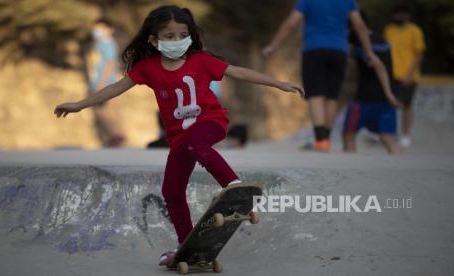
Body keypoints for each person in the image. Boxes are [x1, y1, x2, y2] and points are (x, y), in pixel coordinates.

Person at [54, 5, 304, 266]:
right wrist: (80, 104)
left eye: (182, 35)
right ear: (154, 40)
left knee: (196, 143)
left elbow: (238, 72)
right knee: (171, 191)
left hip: (211, 122)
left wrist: (279, 83)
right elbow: (115, 88)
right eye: (169, 36)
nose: (177, 42)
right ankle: (186, 246)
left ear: (190, 36)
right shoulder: (148, 68)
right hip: (180, 140)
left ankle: (232, 185)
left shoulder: (202, 60)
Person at [262, 0, 378, 152]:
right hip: (339, 51)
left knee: (316, 95)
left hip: (313, 50)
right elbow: (360, 26)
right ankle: (326, 139)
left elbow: (290, 24)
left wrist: (273, 46)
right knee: (331, 96)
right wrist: (369, 51)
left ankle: (321, 140)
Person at [343, 12, 402, 154]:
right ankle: (401, 167)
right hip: (385, 97)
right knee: (386, 136)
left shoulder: (360, 42)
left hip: (365, 97)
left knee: (349, 133)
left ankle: (347, 168)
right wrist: (389, 93)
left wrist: (388, 93)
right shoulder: (383, 40)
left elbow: (379, 66)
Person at [383, 4, 426, 148]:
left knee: (406, 105)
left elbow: (419, 54)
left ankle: (406, 135)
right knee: (390, 104)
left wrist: (410, 74)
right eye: (397, 14)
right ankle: (389, 133)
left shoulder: (415, 31)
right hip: (391, 74)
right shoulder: (389, 30)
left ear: (408, 15)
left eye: (402, 14)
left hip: (409, 75)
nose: (399, 17)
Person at [89, 18, 125, 147]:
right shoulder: (99, 44)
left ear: (110, 30)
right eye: (96, 28)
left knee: (101, 109)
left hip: (105, 82)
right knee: (106, 110)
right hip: (99, 82)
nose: (97, 31)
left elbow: (110, 64)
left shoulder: (108, 43)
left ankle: (115, 135)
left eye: (101, 28)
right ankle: (115, 136)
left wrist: (102, 82)